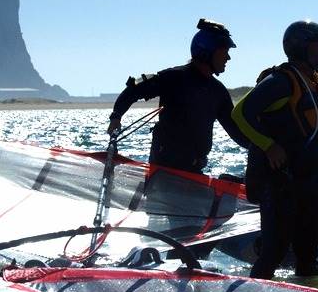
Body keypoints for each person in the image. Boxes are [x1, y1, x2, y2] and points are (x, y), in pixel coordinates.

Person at [231, 20, 318, 279]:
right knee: (273, 252)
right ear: (300, 47)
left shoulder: (314, 82)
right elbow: (240, 113)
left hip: (306, 181)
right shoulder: (281, 81)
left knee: (308, 254)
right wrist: (269, 146)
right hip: (279, 182)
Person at [106, 19, 250, 175]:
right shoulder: (174, 78)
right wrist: (116, 117)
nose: (228, 58)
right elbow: (133, 91)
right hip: (163, 172)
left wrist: (261, 148)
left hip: (195, 173)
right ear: (207, 52)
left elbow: (236, 131)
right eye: (224, 52)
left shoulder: (218, 92)